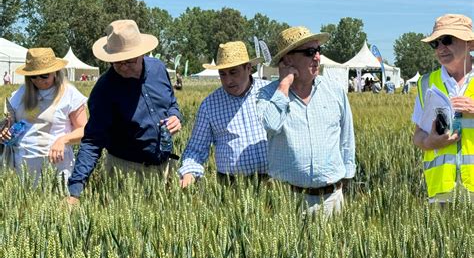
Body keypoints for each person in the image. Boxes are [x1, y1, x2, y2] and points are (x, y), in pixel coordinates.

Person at [67, 20, 182, 204]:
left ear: (142, 54)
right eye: (116, 62)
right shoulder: (104, 90)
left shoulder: (158, 69)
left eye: (129, 61)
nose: (123, 67)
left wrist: (176, 115)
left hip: (166, 168)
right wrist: (75, 191)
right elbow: (92, 141)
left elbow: (171, 102)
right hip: (126, 173)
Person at [257, 26, 356, 216]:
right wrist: (284, 84)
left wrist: (345, 182)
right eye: (309, 52)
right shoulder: (268, 94)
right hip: (288, 201)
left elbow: (346, 139)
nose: (317, 57)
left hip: (331, 200)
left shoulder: (335, 92)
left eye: (319, 51)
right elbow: (270, 125)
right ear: (288, 59)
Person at [179, 41, 269, 188]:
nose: (228, 80)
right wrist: (189, 173)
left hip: (274, 182)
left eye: (233, 72)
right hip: (231, 186)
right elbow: (196, 148)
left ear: (248, 68)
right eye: (222, 73)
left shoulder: (270, 93)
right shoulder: (209, 105)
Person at [0, 47, 87, 183]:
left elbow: (84, 130)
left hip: (55, 167)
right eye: (33, 76)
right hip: (22, 166)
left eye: (44, 75)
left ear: (55, 72)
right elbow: (10, 123)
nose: (39, 80)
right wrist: (5, 131)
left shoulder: (69, 94)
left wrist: (63, 140)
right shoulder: (20, 93)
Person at [412, 14, 474, 203]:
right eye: (435, 43)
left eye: (447, 40)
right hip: (441, 193)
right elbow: (418, 136)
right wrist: (431, 142)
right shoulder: (426, 83)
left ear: (470, 43)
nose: (440, 48)